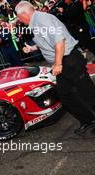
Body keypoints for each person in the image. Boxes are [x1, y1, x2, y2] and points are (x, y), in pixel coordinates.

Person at [16, 1, 95, 134]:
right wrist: (32, 48)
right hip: (63, 62)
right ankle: (88, 121)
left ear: (24, 14)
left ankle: (89, 120)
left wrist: (58, 64)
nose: (19, 20)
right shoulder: (36, 22)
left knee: (87, 92)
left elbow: (59, 41)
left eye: (18, 17)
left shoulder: (42, 19)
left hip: (69, 60)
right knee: (65, 95)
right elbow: (46, 41)